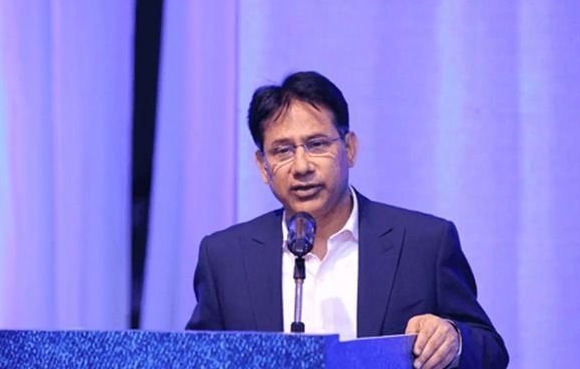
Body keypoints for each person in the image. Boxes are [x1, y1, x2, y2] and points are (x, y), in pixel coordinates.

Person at [186, 71, 509, 368]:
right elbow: (194, 359)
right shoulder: (226, 258)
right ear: (263, 166)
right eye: (283, 151)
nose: (301, 166)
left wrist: (453, 339)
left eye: (316, 145)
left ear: (349, 148)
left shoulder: (424, 243)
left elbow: (491, 351)